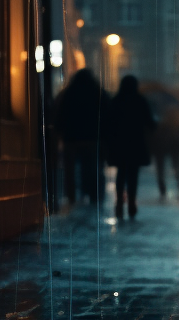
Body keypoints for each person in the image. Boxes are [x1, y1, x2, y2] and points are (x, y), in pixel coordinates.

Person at [106, 75, 155, 220]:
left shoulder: (116, 101)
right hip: (135, 143)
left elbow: (108, 123)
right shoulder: (140, 101)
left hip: (119, 144)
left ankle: (120, 201)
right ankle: (132, 201)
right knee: (133, 174)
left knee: (121, 173)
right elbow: (149, 122)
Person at [54, 68, 106, 204]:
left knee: (69, 170)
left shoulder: (69, 93)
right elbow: (107, 114)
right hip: (92, 137)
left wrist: (59, 132)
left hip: (71, 138)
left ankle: (71, 197)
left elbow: (61, 113)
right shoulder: (97, 92)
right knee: (93, 168)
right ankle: (94, 195)